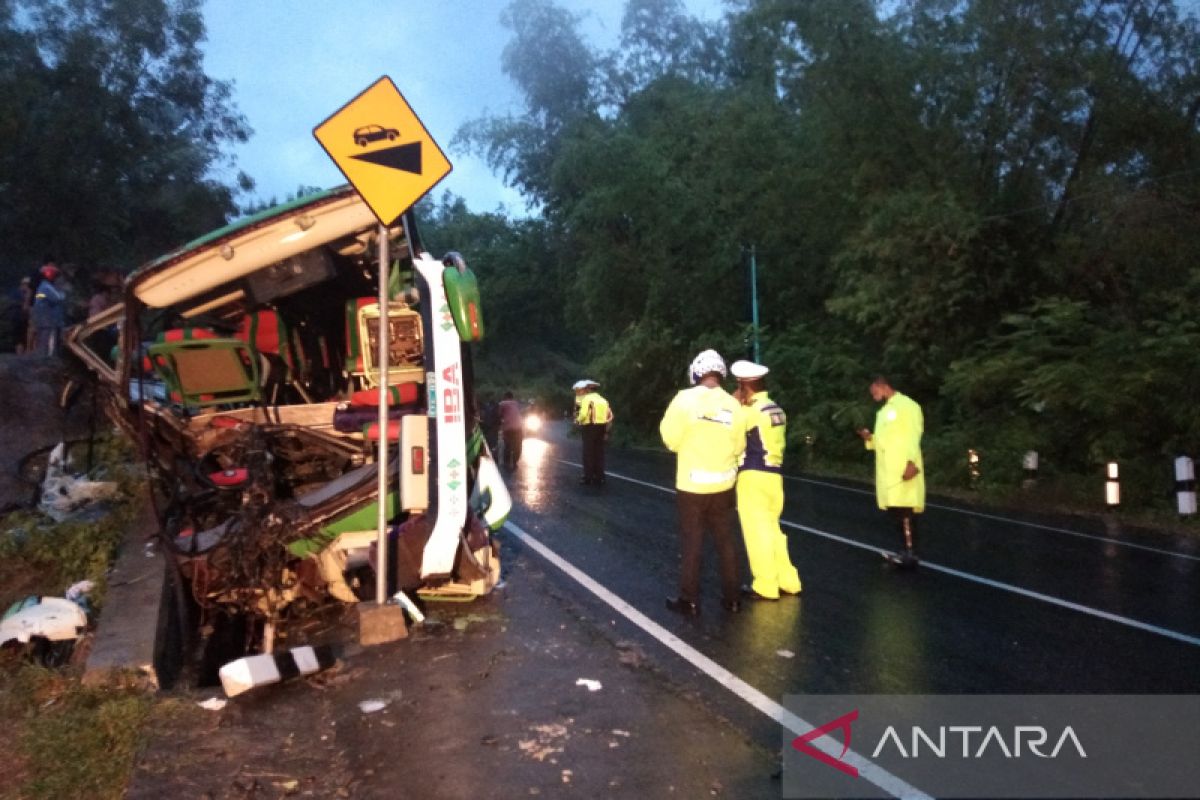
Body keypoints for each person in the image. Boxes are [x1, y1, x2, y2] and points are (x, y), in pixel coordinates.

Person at [659, 349, 745, 615]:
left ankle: (690, 601)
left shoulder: (684, 399)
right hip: (724, 485)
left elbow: (670, 438)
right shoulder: (734, 405)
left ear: (696, 373)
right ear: (720, 374)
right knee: (726, 542)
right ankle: (732, 599)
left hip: (693, 485)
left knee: (693, 542)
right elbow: (740, 445)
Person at [731, 360, 802, 600]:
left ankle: (765, 585)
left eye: (738, 385)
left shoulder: (748, 412)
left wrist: (735, 403)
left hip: (752, 475)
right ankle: (788, 580)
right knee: (773, 530)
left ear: (745, 385)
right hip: (775, 476)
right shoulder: (776, 409)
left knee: (756, 532)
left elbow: (735, 437)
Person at [857, 376, 925, 569]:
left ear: (882, 386)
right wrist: (869, 438)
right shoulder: (884, 411)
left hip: (904, 466)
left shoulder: (907, 406)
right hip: (888, 470)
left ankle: (911, 553)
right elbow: (883, 441)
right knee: (895, 510)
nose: (873, 395)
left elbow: (914, 434)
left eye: (874, 391)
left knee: (905, 510)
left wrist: (911, 462)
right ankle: (903, 550)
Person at [574, 379, 612, 485]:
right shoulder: (604, 400)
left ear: (588, 389)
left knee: (588, 452)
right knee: (599, 452)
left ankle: (588, 477)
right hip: (602, 427)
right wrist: (607, 431)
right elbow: (609, 416)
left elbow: (583, 414)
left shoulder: (587, 399)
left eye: (586, 388)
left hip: (590, 427)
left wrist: (577, 421)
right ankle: (600, 476)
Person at [30, 261, 66, 356]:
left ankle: (42, 355)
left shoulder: (43, 287)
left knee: (42, 337)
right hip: (47, 318)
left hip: (44, 317)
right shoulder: (46, 287)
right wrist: (63, 293)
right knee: (48, 338)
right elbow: (58, 298)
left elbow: (41, 297)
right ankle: (46, 357)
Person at [498, 391, 524, 470]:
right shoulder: (517, 403)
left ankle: (506, 462)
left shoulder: (502, 403)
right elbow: (521, 412)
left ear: (505, 397)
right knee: (518, 445)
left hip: (508, 428)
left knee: (507, 445)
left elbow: (499, 414)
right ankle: (515, 461)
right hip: (518, 427)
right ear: (512, 397)